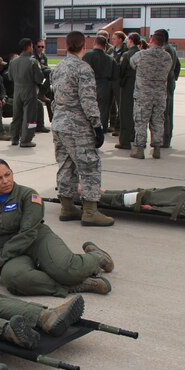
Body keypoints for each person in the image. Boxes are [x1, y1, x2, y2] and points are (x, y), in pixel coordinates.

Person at [0, 158, 115, 297]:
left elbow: (28, 233)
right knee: (14, 279)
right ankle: (78, 285)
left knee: (66, 271)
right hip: (11, 252)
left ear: (12, 172)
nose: (5, 181)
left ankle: (96, 258)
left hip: (37, 240)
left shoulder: (29, 195)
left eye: (8, 174)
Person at [51, 31, 113, 227]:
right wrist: (97, 125)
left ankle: (67, 206)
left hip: (59, 123)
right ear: (83, 45)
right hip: (77, 125)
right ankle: (90, 211)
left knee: (66, 165)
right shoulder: (83, 69)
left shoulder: (58, 68)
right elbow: (88, 101)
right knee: (90, 166)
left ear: (67, 45)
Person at [130, 31, 172, 160]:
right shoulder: (167, 57)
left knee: (141, 121)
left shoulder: (141, 55)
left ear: (152, 41)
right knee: (158, 120)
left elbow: (132, 64)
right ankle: (157, 148)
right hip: (159, 95)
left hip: (143, 94)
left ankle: (139, 148)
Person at [97, 187, 185, 223]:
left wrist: (156, 209)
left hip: (171, 201)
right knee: (140, 192)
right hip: (175, 193)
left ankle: (97, 197)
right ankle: (104, 192)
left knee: (137, 198)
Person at [8, 38, 45, 148]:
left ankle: (14, 138)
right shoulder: (32, 61)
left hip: (17, 91)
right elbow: (39, 79)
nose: (33, 48)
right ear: (29, 47)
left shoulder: (13, 62)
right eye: (32, 46)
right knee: (30, 118)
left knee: (16, 116)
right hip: (29, 91)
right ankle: (26, 140)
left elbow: (10, 77)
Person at [83, 35, 118, 132]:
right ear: (105, 46)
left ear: (94, 43)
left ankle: (89, 127)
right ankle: (102, 128)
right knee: (104, 108)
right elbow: (115, 76)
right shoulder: (110, 59)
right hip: (105, 84)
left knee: (88, 106)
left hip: (89, 84)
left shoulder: (87, 56)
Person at [155, 29, 181, 149]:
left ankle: (164, 139)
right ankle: (165, 138)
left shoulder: (165, 50)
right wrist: (174, 78)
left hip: (165, 84)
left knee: (164, 112)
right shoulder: (172, 49)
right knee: (167, 111)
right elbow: (178, 66)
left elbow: (166, 68)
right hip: (169, 82)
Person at [115, 33, 141, 150]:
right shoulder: (141, 53)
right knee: (136, 114)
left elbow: (121, 71)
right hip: (139, 87)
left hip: (127, 87)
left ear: (130, 40)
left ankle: (124, 141)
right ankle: (133, 135)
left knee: (125, 114)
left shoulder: (127, 54)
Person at [108, 31, 126, 134]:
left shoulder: (125, 50)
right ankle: (112, 124)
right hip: (110, 79)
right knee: (110, 104)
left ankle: (119, 127)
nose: (113, 40)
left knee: (120, 104)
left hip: (119, 81)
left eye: (114, 38)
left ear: (120, 39)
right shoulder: (111, 50)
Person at [33, 38, 52, 132]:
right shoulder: (33, 56)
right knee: (38, 105)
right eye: (39, 46)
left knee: (51, 97)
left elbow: (45, 66)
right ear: (35, 46)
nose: (41, 48)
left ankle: (53, 121)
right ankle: (38, 126)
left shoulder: (44, 56)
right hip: (34, 80)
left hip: (42, 81)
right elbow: (37, 68)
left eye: (42, 47)